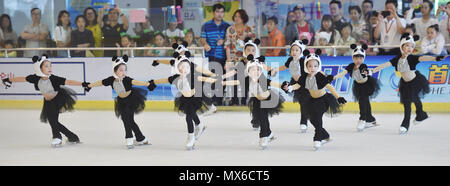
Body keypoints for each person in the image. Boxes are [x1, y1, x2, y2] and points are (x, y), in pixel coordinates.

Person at [1, 55, 88, 147]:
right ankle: (72, 137)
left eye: (50, 66)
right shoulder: (35, 78)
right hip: (47, 101)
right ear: (40, 68)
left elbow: (69, 82)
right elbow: (22, 79)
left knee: (52, 120)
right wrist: (8, 80)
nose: (49, 68)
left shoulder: (54, 78)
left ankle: (57, 137)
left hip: (58, 99)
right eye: (46, 66)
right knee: (53, 121)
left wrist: (83, 84)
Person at [371, 33, 447, 134]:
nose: (409, 48)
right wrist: (372, 71)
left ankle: (410, 121)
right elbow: (385, 65)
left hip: (415, 81)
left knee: (413, 100)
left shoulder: (412, 58)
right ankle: (418, 116)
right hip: (405, 83)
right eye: (407, 45)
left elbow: (423, 58)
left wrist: (436, 58)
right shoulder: (397, 59)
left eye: (412, 46)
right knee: (410, 102)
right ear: (402, 46)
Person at [87, 55, 153, 149]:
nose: (123, 72)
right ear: (115, 70)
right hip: (121, 101)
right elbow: (100, 82)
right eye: (121, 70)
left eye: (125, 70)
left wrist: (146, 84)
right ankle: (141, 138)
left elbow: (135, 82)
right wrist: (90, 85)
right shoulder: (110, 80)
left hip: (131, 100)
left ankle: (129, 138)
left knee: (126, 119)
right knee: (130, 120)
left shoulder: (127, 79)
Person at [331, 44, 380, 132]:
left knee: (363, 101)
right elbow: (343, 73)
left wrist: (366, 72)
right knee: (365, 101)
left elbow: (364, 70)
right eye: (356, 58)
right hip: (358, 85)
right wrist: (334, 77)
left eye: (360, 58)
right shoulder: (351, 66)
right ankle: (370, 119)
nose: (358, 60)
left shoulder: (363, 66)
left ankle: (363, 119)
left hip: (366, 85)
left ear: (363, 59)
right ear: (353, 58)